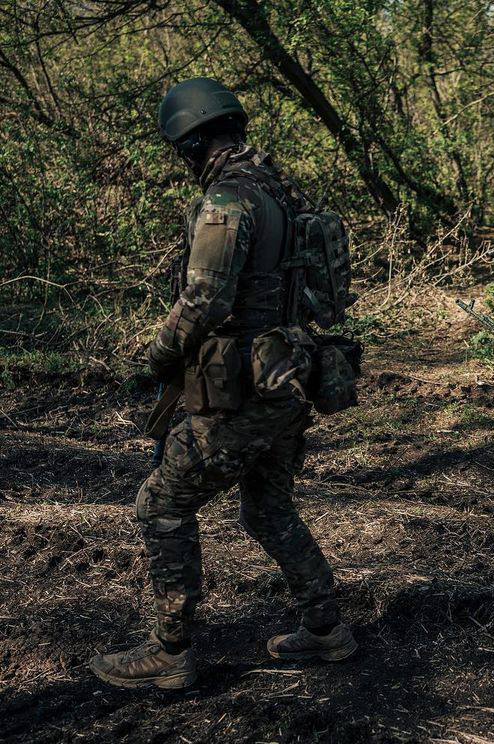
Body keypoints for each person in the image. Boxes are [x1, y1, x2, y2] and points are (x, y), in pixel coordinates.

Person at [89, 78, 355, 690]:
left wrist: (154, 355)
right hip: (292, 375)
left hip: (242, 389)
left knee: (161, 503)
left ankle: (170, 651)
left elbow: (203, 300)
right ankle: (324, 629)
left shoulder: (227, 202)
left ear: (192, 142)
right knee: (267, 508)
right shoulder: (286, 194)